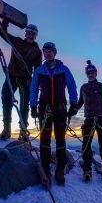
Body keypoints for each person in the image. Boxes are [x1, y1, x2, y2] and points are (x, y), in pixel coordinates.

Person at [30, 42, 78, 186]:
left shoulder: (64, 69)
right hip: (44, 108)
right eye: (45, 51)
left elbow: (71, 86)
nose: (48, 53)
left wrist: (74, 103)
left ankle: (59, 170)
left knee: (60, 139)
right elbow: (33, 88)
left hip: (60, 107)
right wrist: (33, 106)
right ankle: (45, 169)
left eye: (51, 51)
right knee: (45, 140)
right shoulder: (39, 70)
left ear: (55, 53)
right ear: (43, 54)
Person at [0, 20, 42, 141]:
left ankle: (23, 131)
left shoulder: (37, 51)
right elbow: (2, 33)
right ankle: (6, 129)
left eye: (32, 34)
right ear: (26, 33)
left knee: (24, 105)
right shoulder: (16, 41)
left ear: (35, 36)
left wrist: (33, 81)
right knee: (6, 100)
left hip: (26, 80)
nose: (30, 35)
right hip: (11, 77)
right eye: (28, 33)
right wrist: (5, 21)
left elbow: (37, 69)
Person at [72, 60, 102, 184]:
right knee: (86, 145)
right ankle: (88, 170)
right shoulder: (83, 87)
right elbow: (80, 102)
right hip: (89, 119)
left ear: (96, 73)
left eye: (92, 72)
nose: (91, 74)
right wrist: (72, 110)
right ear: (86, 74)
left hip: (101, 118)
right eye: (88, 72)